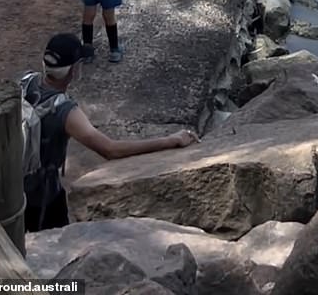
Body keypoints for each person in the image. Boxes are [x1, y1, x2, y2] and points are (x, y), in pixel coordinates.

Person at [22, 33, 199, 232]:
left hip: (14, 187)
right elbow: (110, 149)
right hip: (44, 198)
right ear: (74, 69)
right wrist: (170, 140)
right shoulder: (65, 111)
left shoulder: (26, 81)